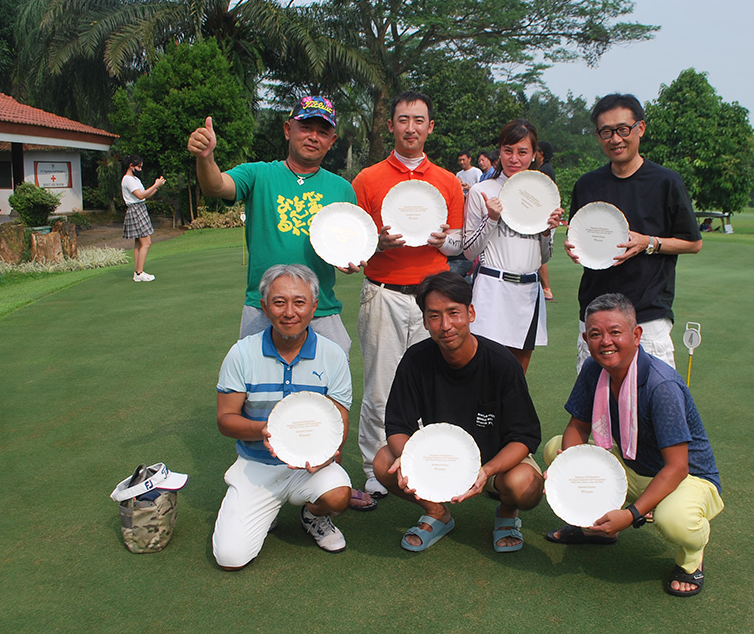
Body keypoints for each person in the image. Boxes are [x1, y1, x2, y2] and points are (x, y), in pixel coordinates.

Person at [544, 293, 723, 597]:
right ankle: (595, 526)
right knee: (557, 450)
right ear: (586, 338)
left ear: (636, 335)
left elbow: (678, 466)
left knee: (674, 520)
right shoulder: (593, 368)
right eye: (596, 334)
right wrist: (570, 476)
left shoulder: (661, 386)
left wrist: (631, 515)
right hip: (632, 462)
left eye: (615, 332)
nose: (605, 342)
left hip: (688, 477)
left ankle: (691, 558)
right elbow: (578, 426)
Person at [373, 272, 543, 552]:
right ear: (425, 321)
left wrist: (487, 470)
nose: (446, 325)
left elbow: (524, 436)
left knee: (525, 485)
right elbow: (397, 425)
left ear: (471, 312)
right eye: (435, 316)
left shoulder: (502, 363)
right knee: (383, 462)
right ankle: (437, 512)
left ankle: (507, 511)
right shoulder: (416, 360)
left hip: (494, 465)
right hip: (439, 463)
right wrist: (409, 459)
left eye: (454, 313)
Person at [351, 91, 465, 499]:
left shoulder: (448, 182)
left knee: (432, 385)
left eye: (419, 120)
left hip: (433, 299)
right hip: (383, 292)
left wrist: (443, 240)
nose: (411, 127)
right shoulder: (367, 179)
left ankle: (426, 464)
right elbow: (357, 244)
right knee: (380, 386)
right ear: (391, 126)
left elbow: (457, 242)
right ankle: (374, 467)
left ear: (430, 127)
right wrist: (377, 243)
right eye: (403, 119)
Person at [211, 264, 356, 570]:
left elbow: (339, 421)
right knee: (230, 557)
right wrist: (265, 430)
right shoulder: (242, 353)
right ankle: (267, 509)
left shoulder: (332, 355)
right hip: (257, 466)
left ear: (314, 307)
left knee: (338, 495)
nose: (289, 312)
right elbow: (226, 420)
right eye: (279, 302)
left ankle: (313, 516)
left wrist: (328, 455)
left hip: (310, 466)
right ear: (264, 307)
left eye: (299, 302)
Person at [188, 95, 356, 354]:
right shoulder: (257, 174)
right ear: (288, 130)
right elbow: (216, 186)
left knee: (330, 389)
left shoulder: (343, 189)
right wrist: (205, 158)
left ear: (332, 141)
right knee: (255, 389)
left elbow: (348, 244)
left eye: (323, 132)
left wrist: (351, 258)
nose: (313, 136)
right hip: (262, 308)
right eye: (306, 127)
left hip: (320, 309)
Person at [566, 93, 702, 372]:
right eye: (606, 132)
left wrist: (648, 243)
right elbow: (579, 235)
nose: (615, 139)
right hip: (595, 313)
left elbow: (693, 243)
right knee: (595, 407)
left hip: (646, 315)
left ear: (640, 128)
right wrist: (575, 248)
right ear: (597, 135)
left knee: (652, 405)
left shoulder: (666, 182)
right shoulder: (587, 185)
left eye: (622, 129)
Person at [463, 119, 563, 373]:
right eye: (508, 151)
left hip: (529, 293)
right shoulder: (482, 191)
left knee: (517, 378)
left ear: (533, 155)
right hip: (491, 291)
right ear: (500, 152)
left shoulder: (544, 195)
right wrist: (491, 219)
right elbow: (469, 250)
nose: (514, 159)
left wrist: (546, 232)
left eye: (522, 152)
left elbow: (545, 256)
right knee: (484, 374)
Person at [121, 155, 165, 282]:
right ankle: (139, 272)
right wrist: (155, 185)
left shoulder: (135, 179)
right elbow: (140, 195)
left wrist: (157, 186)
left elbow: (146, 195)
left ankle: (137, 272)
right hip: (135, 209)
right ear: (131, 166)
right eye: (138, 166)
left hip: (140, 208)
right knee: (146, 242)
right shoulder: (127, 179)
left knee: (139, 243)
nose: (140, 169)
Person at [534, 141, 556, 301]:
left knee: (540, 255)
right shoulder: (544, 169)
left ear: (541, 153)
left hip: (544, 219)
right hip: (543, 217)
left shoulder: (544, 171)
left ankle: (546, 288)